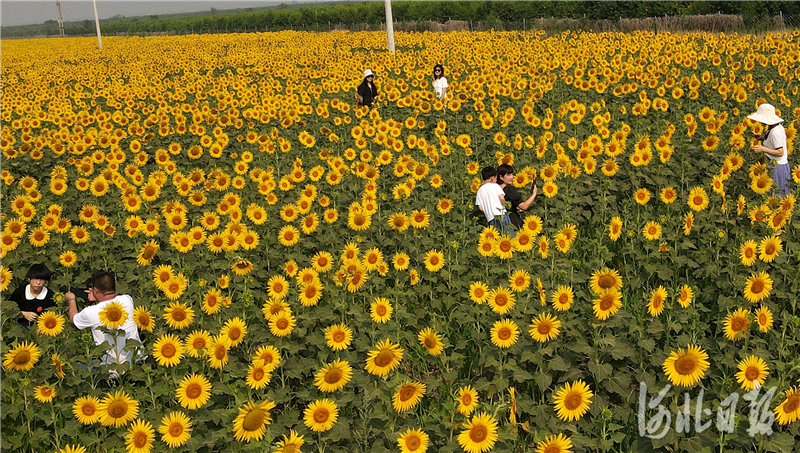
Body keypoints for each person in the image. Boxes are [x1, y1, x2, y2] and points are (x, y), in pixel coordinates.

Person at [66, 271, 141, 369]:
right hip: (138, 361)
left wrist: (71, 300)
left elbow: (73, 320)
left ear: (95, 290)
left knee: (73, 368)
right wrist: (98, 298)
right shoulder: (127, 299)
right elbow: (108, 302)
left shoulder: (90, 312)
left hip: (113, 369)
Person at [749, 103, 792, 196]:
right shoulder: (773, 127)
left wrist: (763, 148)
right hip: (774, 164)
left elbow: (780, 152)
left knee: (777, 196)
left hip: (778, 168)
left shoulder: (775, 132)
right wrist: (762, 137)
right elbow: (772, 141)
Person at [8, 263, 56, 328]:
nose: (38, 282)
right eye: (35, 279)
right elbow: (8, 310)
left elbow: (55, 316)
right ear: (29, 279)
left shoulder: (50, 295)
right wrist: (23, 314)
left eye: (42, 279)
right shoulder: (20, 292)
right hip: (20, 327)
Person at [497, 164, 538, 229]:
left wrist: (514, 207)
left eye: (512, 174)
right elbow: (524, 206)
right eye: (508, 175)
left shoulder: (495, 189)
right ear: (501, 177)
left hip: (500, 223)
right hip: (513, 223)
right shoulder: (509, 190)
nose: (512, 177)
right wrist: (534, 194)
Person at [474, 166, 511, 232]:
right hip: (501, 215)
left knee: (496, 238)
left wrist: (488, 210)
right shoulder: (495, 186)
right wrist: (505, 206)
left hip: (490, 218)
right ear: (492, 178)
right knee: (508, 237)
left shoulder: (480, 191)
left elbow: (480, 208)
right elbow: (501, 198)